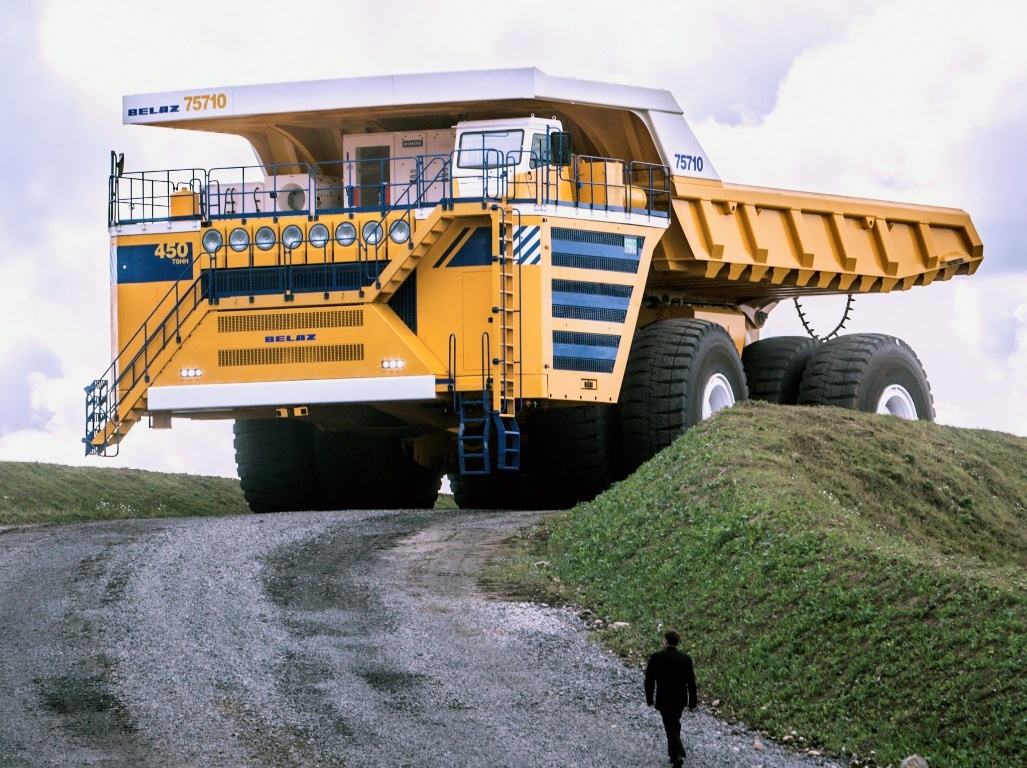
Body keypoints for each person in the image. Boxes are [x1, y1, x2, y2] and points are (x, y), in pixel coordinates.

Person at [644, 629, 697, 767]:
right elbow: (691, 682)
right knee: (675, 722)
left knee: (669, 725)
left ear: (665, 641)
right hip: (680, 698)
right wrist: (692, 702)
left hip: (664, 696)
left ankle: (678, 752)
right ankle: (673, 755)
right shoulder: (685, 658)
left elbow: (649, 679)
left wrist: (649, 697)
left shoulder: (657, 657)